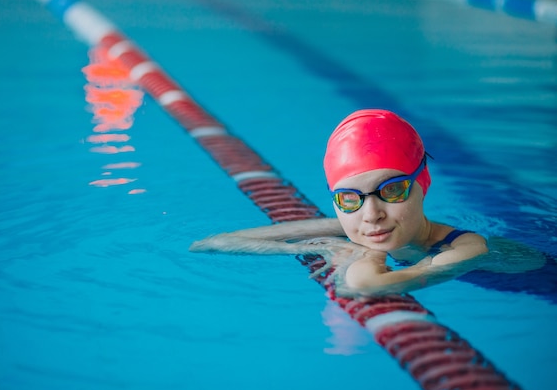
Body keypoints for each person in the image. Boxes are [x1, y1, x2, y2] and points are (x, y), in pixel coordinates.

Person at [189, 109, 544, 296]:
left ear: (423, 182)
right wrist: (327, 245)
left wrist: (363, 253)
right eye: (349, 199)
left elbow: (363, 284)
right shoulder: (359, 224)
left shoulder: (467, 247)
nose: (371, 215)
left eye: (391, 191)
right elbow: (215, 243)